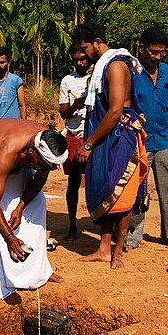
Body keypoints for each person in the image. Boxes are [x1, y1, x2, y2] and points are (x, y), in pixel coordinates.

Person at [0, 119, 66, 299]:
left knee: (37, 202)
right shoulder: (8, 149)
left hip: (20, 159)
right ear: (31, 151)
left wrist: (20, 207)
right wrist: (10, 237)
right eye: (43, 165)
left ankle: (39, 271)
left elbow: (39, 179)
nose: (45, 170)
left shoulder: (46, 145)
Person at [72, 22, 150, 269]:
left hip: (119, 137)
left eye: (84, 48)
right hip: (105, 137)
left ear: (97, 42)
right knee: (106, 191)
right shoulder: (101, 68)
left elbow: (115, 111)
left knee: (122, 194)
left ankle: (118, 252)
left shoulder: (115, 66)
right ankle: (103, 249)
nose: (82, 54)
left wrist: (89, 144)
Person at [125, 27, 168, 251]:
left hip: (164, 141)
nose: (157, 57)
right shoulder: (130, 73)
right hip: (139, 141)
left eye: (161, 53)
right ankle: (133, 235)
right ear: (142, 48)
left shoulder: (167, 72)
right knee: (138, 189)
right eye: (153, 52)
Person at [58, 45, 92, 241]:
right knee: (73, 181)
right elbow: (63, 112)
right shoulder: (67, 81)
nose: (80, 62)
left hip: (92, 134)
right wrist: (75, 105)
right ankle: (72, 225)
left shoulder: (96, 76)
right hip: (73, 133)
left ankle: (102, 224)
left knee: (97, 179)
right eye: (77, 59)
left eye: (83, 58)